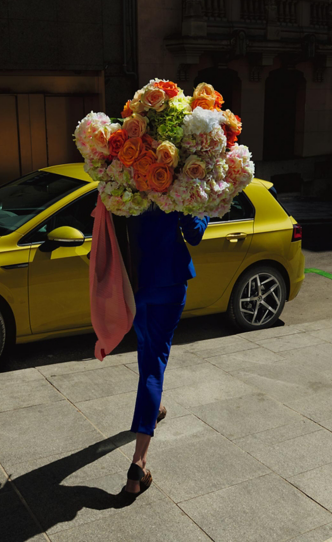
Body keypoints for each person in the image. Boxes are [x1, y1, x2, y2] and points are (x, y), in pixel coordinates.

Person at [117, 204, 209, 495]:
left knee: (147, 351)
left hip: (135, 283)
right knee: (154, 362)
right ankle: (138, 464)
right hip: (169, 282)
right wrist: (203, 209)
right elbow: (194, 234)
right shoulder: (176, 183)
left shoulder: (124, 179)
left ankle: (153, 407)